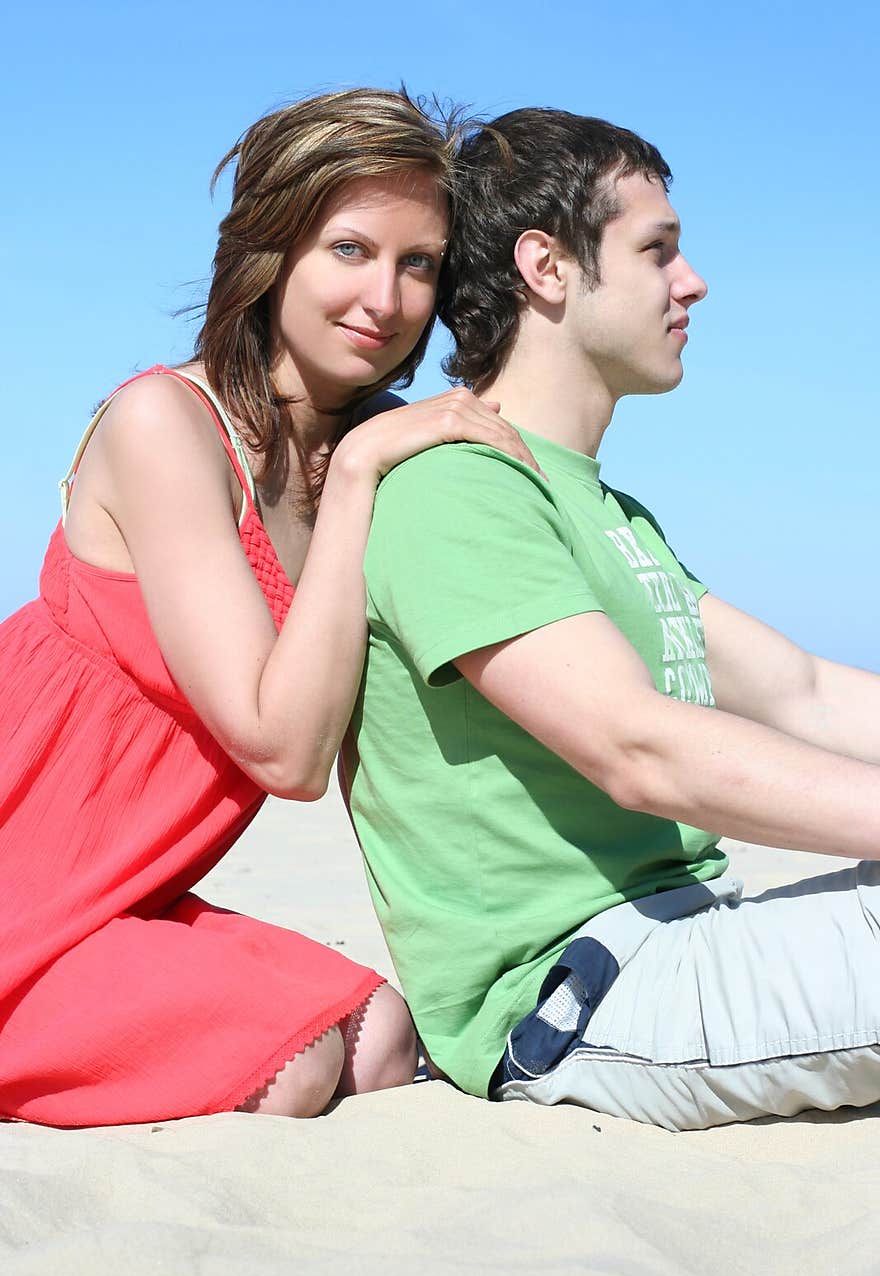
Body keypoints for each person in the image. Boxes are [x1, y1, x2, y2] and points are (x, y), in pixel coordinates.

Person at [0, 87, 536, 1128]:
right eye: (348, 248)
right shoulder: (166, 422)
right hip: (23, 884)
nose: (384, 297)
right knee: (290, 1068)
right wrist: (360, 474)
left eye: (417, 262)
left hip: (125, 898)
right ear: (272, 250)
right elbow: (282, 752)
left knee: (381, 1039)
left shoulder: (379, 439)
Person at [342, 106, 880, 1132]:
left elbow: (802, 693)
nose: (692, 282)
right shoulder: (454, 489)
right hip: (592, 989)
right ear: (546, 267)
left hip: (700, 935)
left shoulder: (608, 511)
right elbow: (637, 749)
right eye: (657, 250)